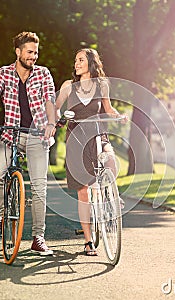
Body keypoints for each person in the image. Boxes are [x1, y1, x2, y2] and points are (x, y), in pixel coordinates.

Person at [0, 31, 56, 256]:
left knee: (39, 187)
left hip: (37, 135)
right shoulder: (4, 73)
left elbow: (50, 99)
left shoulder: (43, 74)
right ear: (18, 52)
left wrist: (51, 122)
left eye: (36, 52)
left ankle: (38, 237)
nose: (34, 56)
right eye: (30, 52)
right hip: (10, 135)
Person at [56, 48, 127, 256]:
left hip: (97, 135)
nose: (76, 63)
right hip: (76, 141)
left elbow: (107, 109)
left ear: (90, 63)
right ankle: (88, 241)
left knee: (111, 159)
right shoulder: (69, 86)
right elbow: (55, 106)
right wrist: (56, 118)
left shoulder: (102, 84)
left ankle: (110, 195)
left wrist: (118, 116)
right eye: (75, 60)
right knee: (83, 192)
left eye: (80, 60)